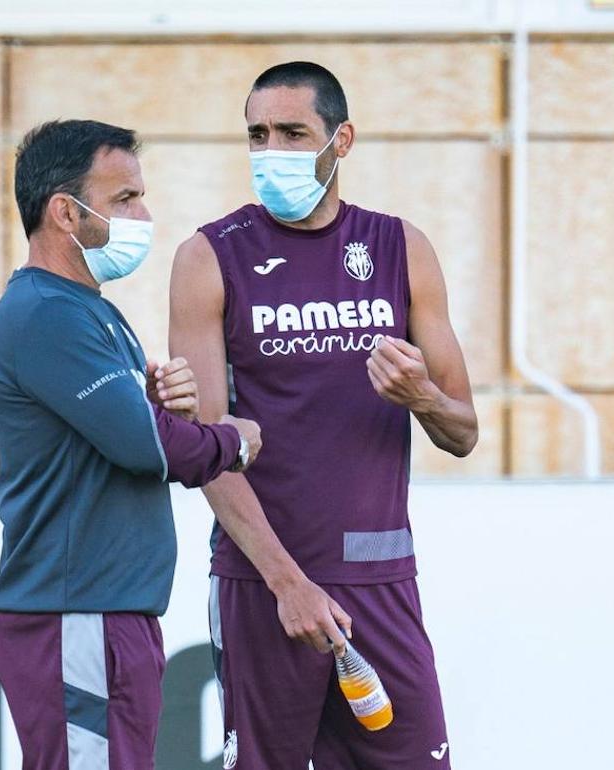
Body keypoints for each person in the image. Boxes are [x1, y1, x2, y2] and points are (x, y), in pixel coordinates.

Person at [169, 62, 478, 769]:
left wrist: (421, 398)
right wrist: (287, 582)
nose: (270, 150)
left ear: (341, 141)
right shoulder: (209, 256)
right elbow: (203, 445)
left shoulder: (403, 247)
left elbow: (464, 430)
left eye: (291, 132)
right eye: (257, 134)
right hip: (264, 585)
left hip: (381, 584)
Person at [0, 119, 262, 770]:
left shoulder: (90, 309)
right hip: (77, 611)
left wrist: (164, 411)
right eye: (124, 199)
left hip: (107, 610)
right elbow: (147, 449)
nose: (145, 213)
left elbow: (136, 433)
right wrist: (232, 441)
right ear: (64, 212)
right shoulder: (47, 313)